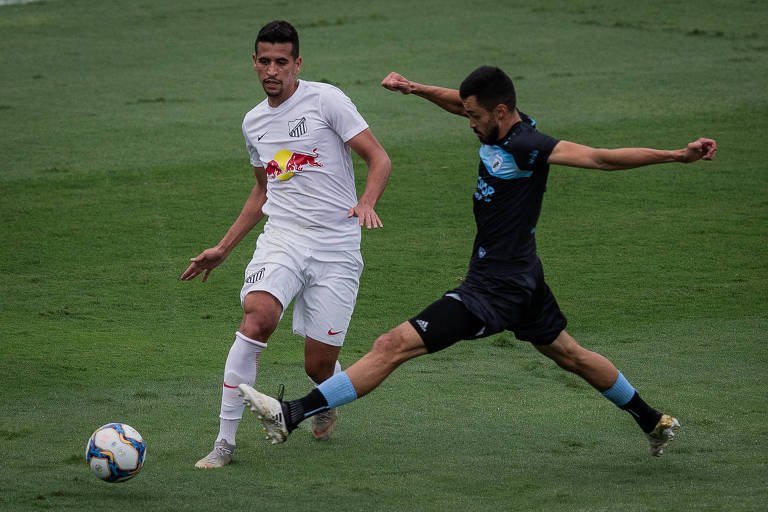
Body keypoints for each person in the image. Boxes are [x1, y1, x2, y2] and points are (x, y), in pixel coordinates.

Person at [238, 66, 717, 456]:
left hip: (495, 287)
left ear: (501, 112)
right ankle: (654, 421)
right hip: (523, 276)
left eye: (473, 116)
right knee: (570, 354)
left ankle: (293, 414)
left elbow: (600, 158)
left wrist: (677, 155)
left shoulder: (529, 146)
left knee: (392, 345)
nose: (467, 122)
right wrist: (414, 88)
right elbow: (455, 100)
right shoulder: (499, 121)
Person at [181, 20, 391, 468]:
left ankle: (325, 398)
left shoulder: (326, 100)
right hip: (284, 238)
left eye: (281, 62)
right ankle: (224, 442)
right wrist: (224, 247)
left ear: (297, 64)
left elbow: (378, 157)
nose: (272, 70)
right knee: (257, 319)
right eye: (264, 61)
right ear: (254, 63)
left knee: (318, 367)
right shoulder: (253, 122)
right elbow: (264, 191)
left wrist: (366, 201)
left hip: (337, 246)